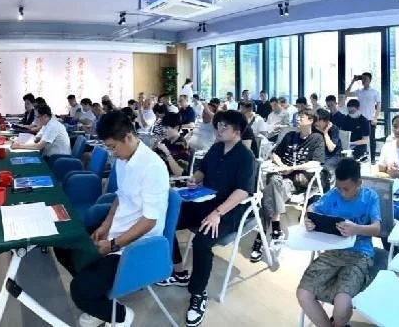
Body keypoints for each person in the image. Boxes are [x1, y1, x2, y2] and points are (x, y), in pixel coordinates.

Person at [56, 111, 169, 327]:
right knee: (63, 244)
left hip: (136, 245)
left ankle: (122, 316)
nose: (112, 152)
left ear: (128, 137)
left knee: (79, 291)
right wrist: (105, 225)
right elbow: (120, 197)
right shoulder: (123, 160)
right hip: (117, 231)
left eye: (113, 147)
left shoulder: (153, 167)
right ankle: (98, 297)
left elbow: (149, 222)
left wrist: (113, 244)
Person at [158, 110, 255, 327]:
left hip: (229, 210)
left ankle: (198, 293)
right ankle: (179, 272)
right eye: (218, 125)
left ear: (237, 132)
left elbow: (243, 191)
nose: (219, 129)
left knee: (202, 241)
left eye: (225, 126)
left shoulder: (245, 157)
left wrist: (217, 213)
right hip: (206, 200)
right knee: (167, 220)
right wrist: (195, 179)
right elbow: (203, 170)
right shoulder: (216, 148)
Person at [297, 158, 381, 327]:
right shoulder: (333, 195)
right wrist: (308, 219)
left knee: (342, 307)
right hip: (332, 251)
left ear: (359, 183)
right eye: (338, 187)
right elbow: (312, 209)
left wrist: (356, 229)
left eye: (346, 189)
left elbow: (377, 229)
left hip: (359, 254)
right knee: (303, 295)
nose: (342, 193)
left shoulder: (370, 197)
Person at [252, 108, 325, 262]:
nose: (297, 119)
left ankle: (261, 238)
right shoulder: (290, 135)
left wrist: (292, 168)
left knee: (268, 194)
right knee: (273, 183)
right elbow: (274, 154)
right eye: (297, 117)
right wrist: (281, 166)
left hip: (295, 180)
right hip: (280, 176)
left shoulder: (317, 138)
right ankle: (275, 230)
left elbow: (316, 162)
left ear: (311, 120)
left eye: (301, 117)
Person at [346, 72, 381, 161]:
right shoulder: (359, 91)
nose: (363, 80)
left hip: (370, 119)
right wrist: (353, 81)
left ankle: (372, 159)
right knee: (359, 139)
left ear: (370, 80)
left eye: (365, 78)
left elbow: (378, 106)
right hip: (359, 119)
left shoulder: (375, 92)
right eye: (362, 78)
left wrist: (376, 118)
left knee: (371, 139)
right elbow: (347, 93)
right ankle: (360, 156)